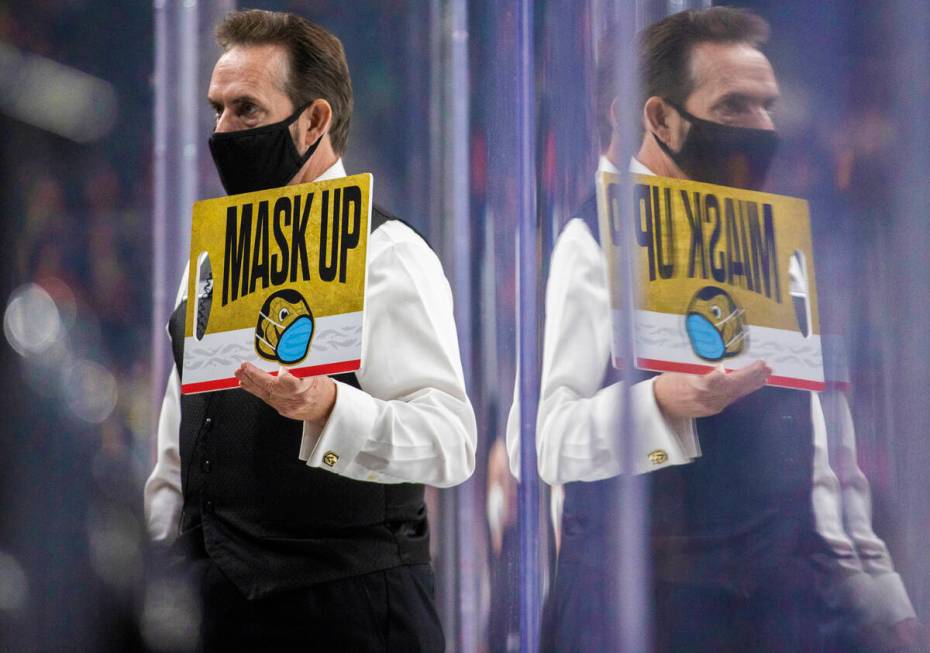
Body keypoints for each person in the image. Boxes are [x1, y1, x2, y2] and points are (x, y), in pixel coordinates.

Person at [513, 7, 917, 652]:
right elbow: (543, 444)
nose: (763, 128)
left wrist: (878, 595)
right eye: (735, 107)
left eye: (767, 106)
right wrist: (660, 405)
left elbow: (819, 448)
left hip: (775, 609)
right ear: (657, 118)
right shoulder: (588, 241)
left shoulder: (771, 240)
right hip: (639, 609)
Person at [143, 10, 476, 651]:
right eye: (217, 110)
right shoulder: (209, 263)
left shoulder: (389, 252)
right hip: (215, 614)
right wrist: (166, 566)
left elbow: (451, 440)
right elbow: (179, 457)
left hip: (351, 614)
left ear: (315, 120)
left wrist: (332, 409)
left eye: (246, 110)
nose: (223, 131)